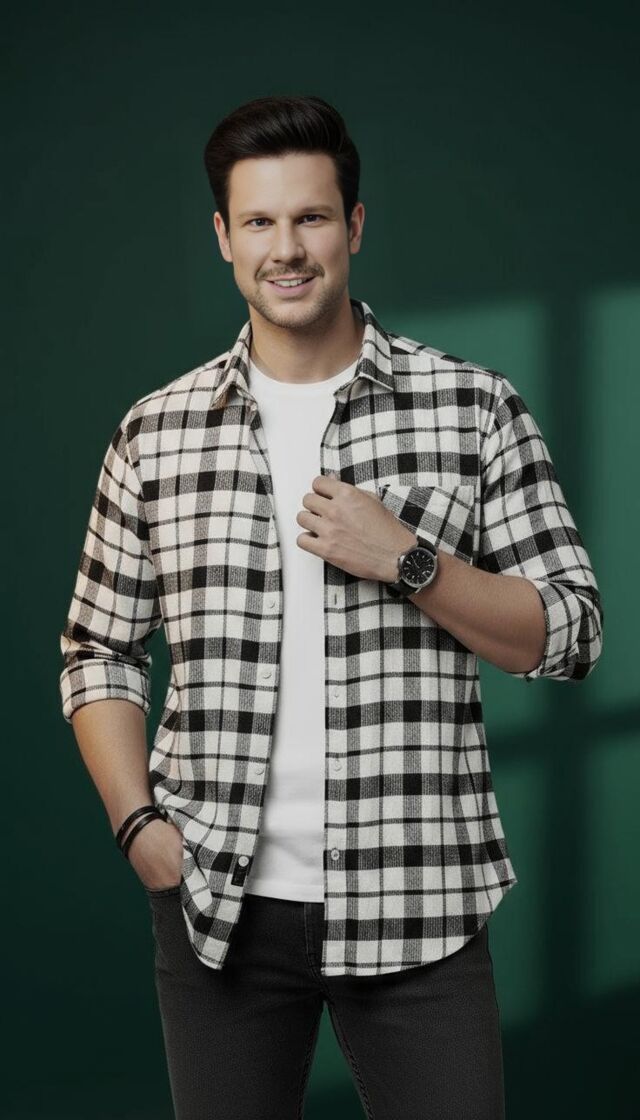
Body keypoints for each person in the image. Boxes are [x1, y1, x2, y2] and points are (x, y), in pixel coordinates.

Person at [58, 94, 603, 1120]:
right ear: (223, 237)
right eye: (259, 221)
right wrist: (138, 826)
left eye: (310, 217)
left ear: (353, 225)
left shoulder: (474, 407)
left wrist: (411, 561)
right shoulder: (156, 432)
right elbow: (99, 649)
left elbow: (571, 632)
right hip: (216, 909)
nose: (287, 248)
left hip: (421, 902)